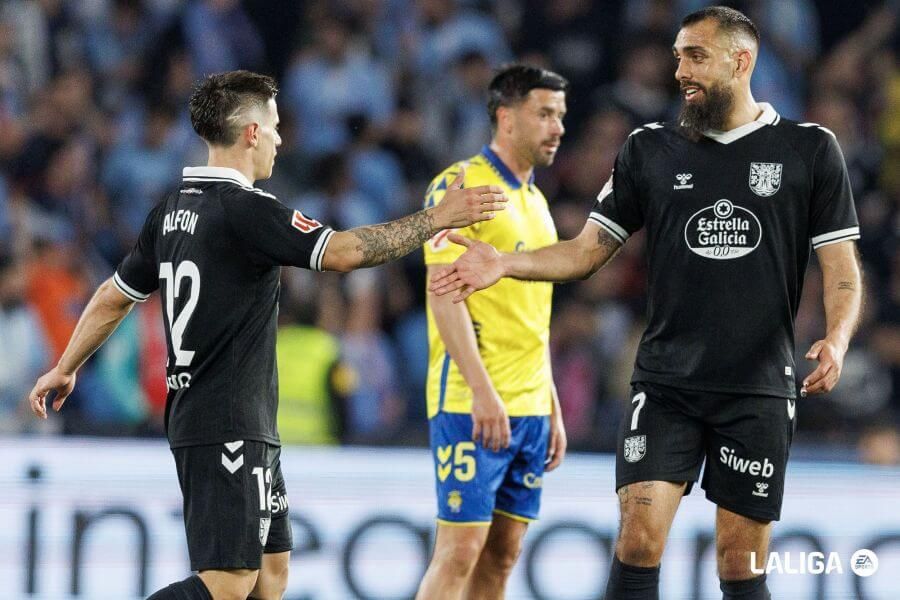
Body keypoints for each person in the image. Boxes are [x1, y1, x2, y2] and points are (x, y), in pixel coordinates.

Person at [430, 7, 863, 600]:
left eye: (696, 57)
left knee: (739, 564)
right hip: (665, 383)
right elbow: (586, 251)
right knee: (636, 541)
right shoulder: (650, 148)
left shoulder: (809, 148)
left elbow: (841, 269)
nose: (680, 70)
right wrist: (504, 263)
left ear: (741, 62)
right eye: (678, 56)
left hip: (757, 386)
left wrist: (837, 337)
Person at [27, 70, 507, 600]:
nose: (280, 138)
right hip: (227, 420)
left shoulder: (172, 209)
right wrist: (436, 218)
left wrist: (66, 365)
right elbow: (345, 252)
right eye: (275, 126)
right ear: (252, 132)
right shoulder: (248, 210)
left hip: (231, 419)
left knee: (270, 575)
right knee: (228, 583)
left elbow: (115, 294)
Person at [416, 64, 569, 600]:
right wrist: (483, 391)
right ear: (506, 117)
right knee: (459, 552)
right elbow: (443, 292)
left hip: (529, 405)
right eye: (544, 114)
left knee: (502, 556)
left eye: (561, 115)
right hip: (470, 400)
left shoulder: (538, 202)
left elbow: (533, 314)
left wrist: (550, 401)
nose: (558, 127)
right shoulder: (459, 186)